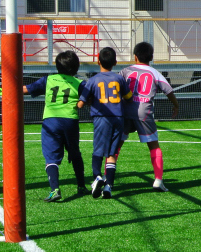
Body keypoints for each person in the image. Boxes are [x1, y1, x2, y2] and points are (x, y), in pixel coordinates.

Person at [22, 51, 87, 202]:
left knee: (51, 157)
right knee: (75, 153)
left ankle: (55, 189)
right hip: (70, 121)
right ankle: (81, 186)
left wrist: (4, 90)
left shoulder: (48, 79)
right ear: (76, 67)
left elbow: (25, 89)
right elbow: (88, 99)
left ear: (57, 66)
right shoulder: (79, 83)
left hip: (51, 122)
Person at [119, 42, 180, 192]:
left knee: (116, 144)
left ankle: (107, 177)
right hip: (144, 112)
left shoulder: (126, 71)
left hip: (125, 110)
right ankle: (158, 180)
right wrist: (176, 105)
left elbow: (115, 86)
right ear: (151, 57)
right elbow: (168, 90)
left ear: (135, 56)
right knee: (153, 145)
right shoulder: (154, 73)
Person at [77, 47, 133, 199]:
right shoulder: (119, 79)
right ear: (115, 62)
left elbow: (81, 103)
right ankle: (109, 186)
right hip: (118, 118)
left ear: (98, 61)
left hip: (102, 118)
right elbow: (129, 97)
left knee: (98, 150)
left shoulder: (93, 80)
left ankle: (97, 177)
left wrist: (84, 102)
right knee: (111, 153)